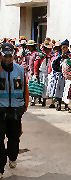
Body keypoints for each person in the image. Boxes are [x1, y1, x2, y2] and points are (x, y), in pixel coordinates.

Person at [0, 43, 29, 179]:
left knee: (14, 139)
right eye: (5, 55)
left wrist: (24, 106)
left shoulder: (19, 69)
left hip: (16, 110)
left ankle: (12, 157)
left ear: (13, 55)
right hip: (0, 110)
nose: (7, 58)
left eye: (10, 56)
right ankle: (0, 167)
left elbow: (25, 89)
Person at [51, 40, 71, 111]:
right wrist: (60, 70)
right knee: (59, 90)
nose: (64, 49)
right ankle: (58, 104)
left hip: (67, 76)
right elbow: (54, 65)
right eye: (63, 48)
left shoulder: (70, 56)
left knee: (66, 90)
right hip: (60, 76)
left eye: (66, 47)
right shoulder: (58, 56)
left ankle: (66, 105)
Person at [34, 41, 53, 106]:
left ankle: (44, 100)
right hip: (41, 73)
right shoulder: (40, 55)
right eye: (47, 49)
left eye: (49, 49)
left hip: (47, 74)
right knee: (38, 86)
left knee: (45, 87)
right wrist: (36, 73)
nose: (48, 50)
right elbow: (36, 65)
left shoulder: (50, 56)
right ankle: (36, 99)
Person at [26, 40, 38, 106]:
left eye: (30, 46)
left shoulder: (36, 53)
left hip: (33, 71)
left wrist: (34, 71)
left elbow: (36, 63)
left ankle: (33, 99)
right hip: (29, 71)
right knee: (29, 85)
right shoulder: (28, 53)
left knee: (33, 85)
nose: (28, 47)